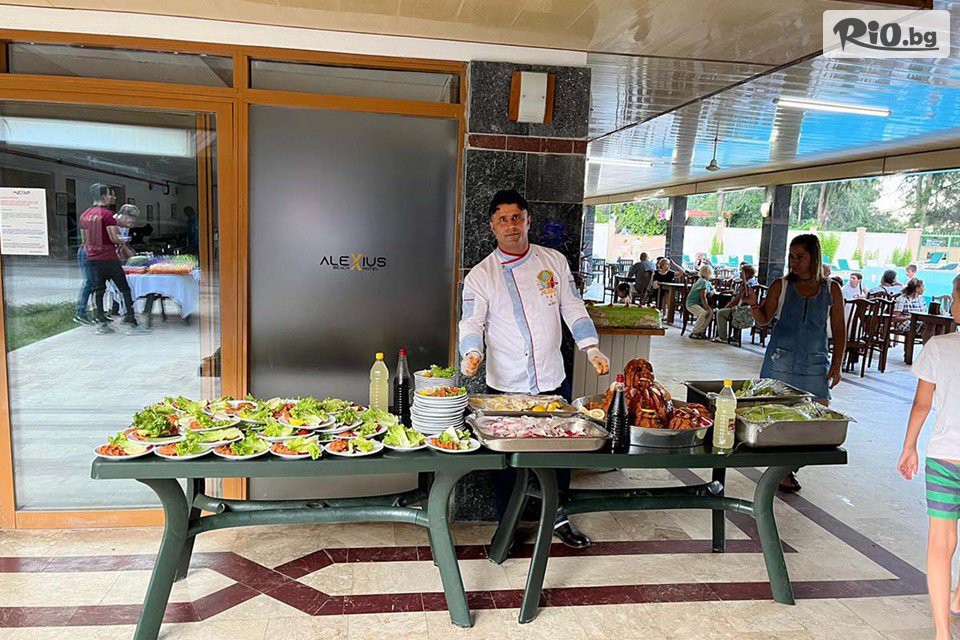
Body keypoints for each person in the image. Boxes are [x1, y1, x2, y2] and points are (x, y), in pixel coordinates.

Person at [459, 189, 609, 549]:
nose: (511, 225)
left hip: (552, 380)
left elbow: (573, 308)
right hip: (506, 384)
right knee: (505, 463)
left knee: (561, 454)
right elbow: (471, 322)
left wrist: (591, 347)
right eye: (502, 219)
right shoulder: (481, 275)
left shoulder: (553, 262)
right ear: (492, 226)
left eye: (516, 217)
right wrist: (471, 354)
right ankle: (506, 525)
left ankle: (559, 518)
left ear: (528, 220)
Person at [743, 234, 846, 492]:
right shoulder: (781, 285)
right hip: (779, 361)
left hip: (815, 364)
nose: (794, 262)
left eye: (800, 257)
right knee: (774, 420)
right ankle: (782, 471)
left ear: (814, 257)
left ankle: (787, 468)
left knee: (815, 423)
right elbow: (764, 319)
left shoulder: (832, 289)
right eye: (791, 257)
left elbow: (839, 329)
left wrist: (837, 364)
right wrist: (754, 304)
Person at [896, 274, 960, 640]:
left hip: (945, 457)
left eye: (954, 295)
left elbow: (922, 404)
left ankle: (942, 633)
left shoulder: (939, 347)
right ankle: (958, 598)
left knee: (941, 541)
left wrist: (909, 447)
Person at [79, 184, 149, 336]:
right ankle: (132, 322)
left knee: (99, 290)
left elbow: (85, 240)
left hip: (92, 257)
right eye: (110, 194)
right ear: (104, 195)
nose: (112, 197)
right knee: (124, 289)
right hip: (108, 258)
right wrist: (123, 240)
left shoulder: (85, 215)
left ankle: (102, 324)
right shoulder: (107, 215)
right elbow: (113, 238)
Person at [713, 264, 757, 343]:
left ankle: (722, 337)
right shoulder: (754, 282)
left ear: (747, 274)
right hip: (750, 309)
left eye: (742, 272)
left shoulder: (746, 284)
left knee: (720, 313)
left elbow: (739, 298)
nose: (740, 273)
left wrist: (728, 306)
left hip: (742, 310)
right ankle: (736, 336)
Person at [894, 278, 934, 343]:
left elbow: (925, 313)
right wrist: (910, 318)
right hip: (905, 323)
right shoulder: (902, 299)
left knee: (936, 327)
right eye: (923, 287)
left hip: (919, 322)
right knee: (929, 328)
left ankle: (929, 346)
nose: (924, 289)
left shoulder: (921, 299)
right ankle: (927, 346)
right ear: (917, 289)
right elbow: (895, 317)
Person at [685, 264, 714, 340]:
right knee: (704, 313)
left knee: (710, 313)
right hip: (692, 304)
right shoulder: (702, 281)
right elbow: (703, 296)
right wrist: (707, 307)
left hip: (698, 304)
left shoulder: (707, 282)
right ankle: (694, 332)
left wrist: (713, 291)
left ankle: (701, 331)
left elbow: (713, 289)